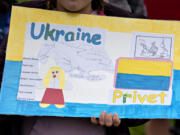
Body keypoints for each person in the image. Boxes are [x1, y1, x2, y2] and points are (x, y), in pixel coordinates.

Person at [0, 0, 148, 135]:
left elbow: (142, 103)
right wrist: (13, 103)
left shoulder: (124, 27)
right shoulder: (24, 21)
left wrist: (122, 114)